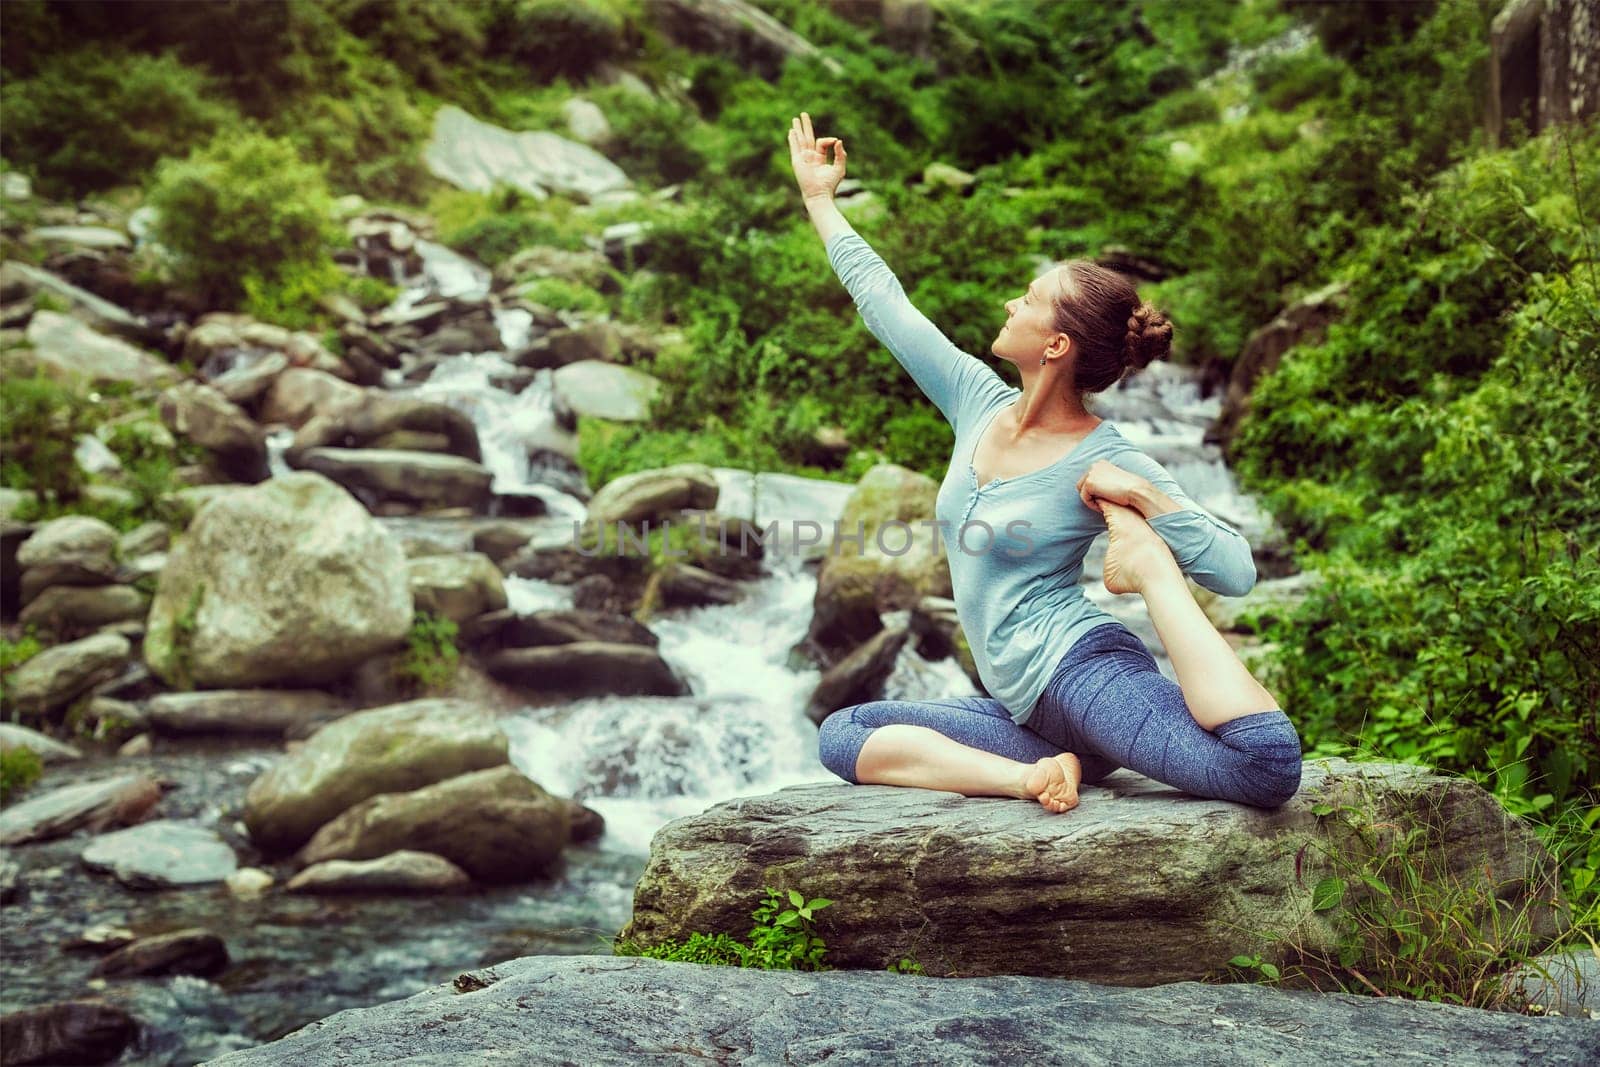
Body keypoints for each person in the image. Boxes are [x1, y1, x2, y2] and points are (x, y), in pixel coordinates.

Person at [787, 112, 1303, 814]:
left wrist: (1148, 511)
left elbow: (1237, 571)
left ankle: (1137, 588)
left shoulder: (1109, 454)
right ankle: (1033, 778)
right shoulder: (975, 399)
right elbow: (887, 306)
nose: (1010, 301)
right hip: (1026, 715)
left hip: (1083, 672)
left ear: (1055, 345)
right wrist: (821, 200)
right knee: (845, 732)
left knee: (1264, 766)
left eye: (1027, 299)